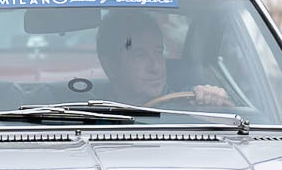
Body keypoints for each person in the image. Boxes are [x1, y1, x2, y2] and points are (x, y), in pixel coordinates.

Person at [95, 10, 231, 108]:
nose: (156, 67)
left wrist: (216, 99)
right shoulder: (90, 115)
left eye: (158, 52)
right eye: (140, 56)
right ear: (111, 67)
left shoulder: (189, 101)